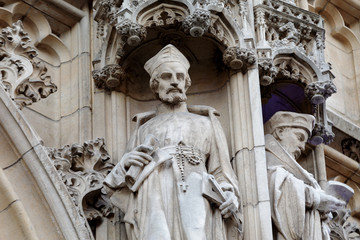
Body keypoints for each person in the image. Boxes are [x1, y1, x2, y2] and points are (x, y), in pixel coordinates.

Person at [104, 44, 241, 240]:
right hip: (153, 197)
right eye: (167, 77)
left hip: (197, 194)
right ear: (155, 84)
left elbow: (220, 170)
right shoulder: (143, 128)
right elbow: (125, 182)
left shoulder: (207, 123)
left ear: (187, 82)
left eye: (180, 76)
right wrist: (125, 163)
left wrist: (229, 194)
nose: (175, 82)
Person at [264, 111, 346, 240]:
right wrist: (316, 198)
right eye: (300, 137)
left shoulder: (302, 174)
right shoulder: (264, 158)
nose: (302, 147)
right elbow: (273, 181)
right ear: (280, 132)